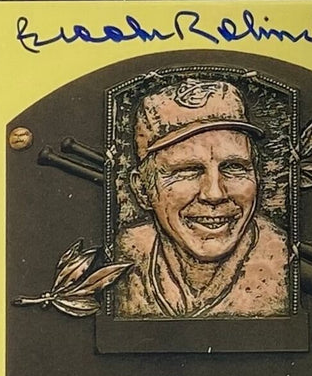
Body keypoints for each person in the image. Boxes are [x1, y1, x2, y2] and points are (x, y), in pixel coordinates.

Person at [114, 78, 289, 318]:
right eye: (187, 170)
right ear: (143, 190)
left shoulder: (286, 265)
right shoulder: (123, 257)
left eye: (234, 167)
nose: (215, 194)